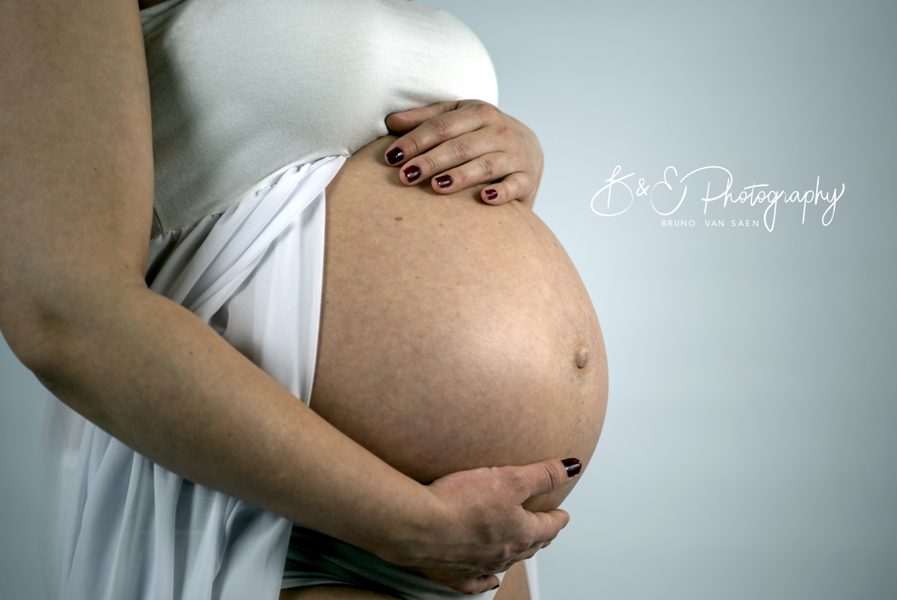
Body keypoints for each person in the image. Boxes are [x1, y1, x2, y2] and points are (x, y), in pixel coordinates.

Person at [0, 0, 608, 599]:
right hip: (281, 522)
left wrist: (512, 155)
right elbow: (66, 309)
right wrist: (413, 523)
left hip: (482, 542)